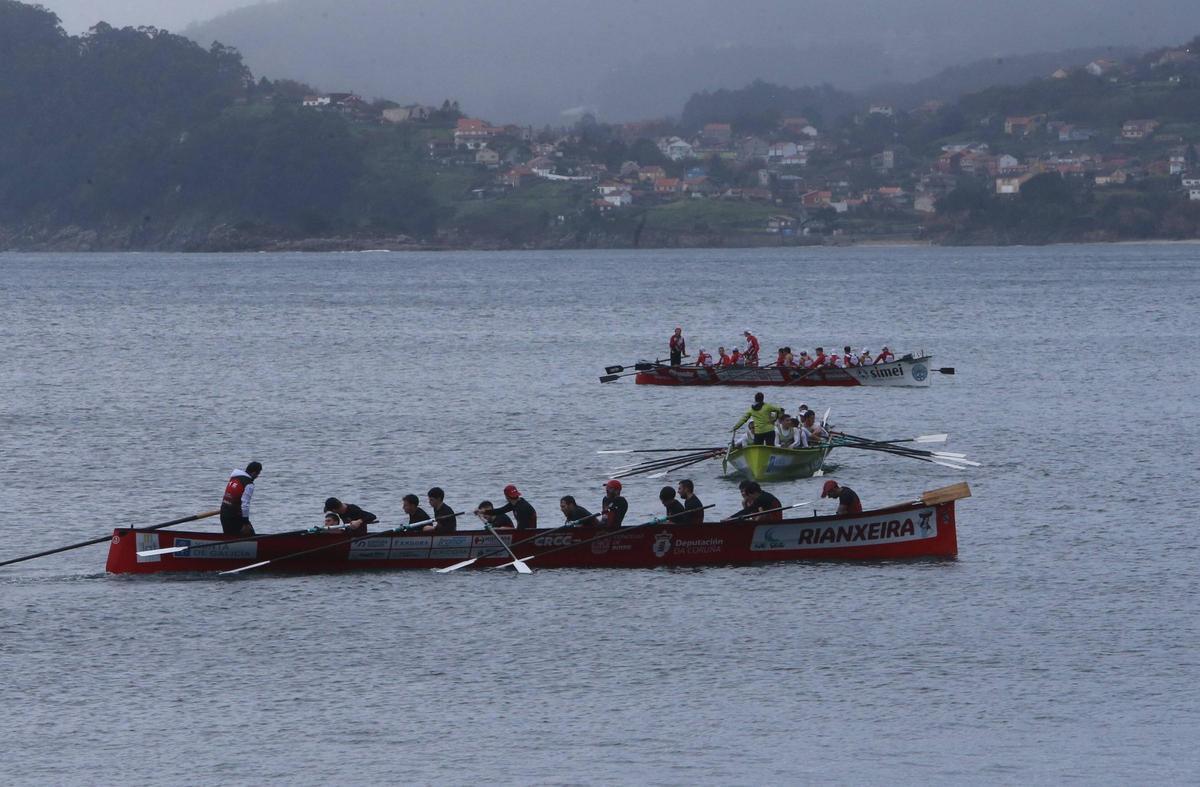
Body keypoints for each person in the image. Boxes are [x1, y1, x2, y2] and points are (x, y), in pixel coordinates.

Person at [220, 461, 261, 536]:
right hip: (234, 517)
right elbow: (245, 504)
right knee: (250, 536)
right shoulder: (248, 484)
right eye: (258, 474)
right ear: (254, 473)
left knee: (230, 538)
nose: (257, 477)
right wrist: (245, 523)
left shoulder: (234, 477)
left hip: (223, 513)